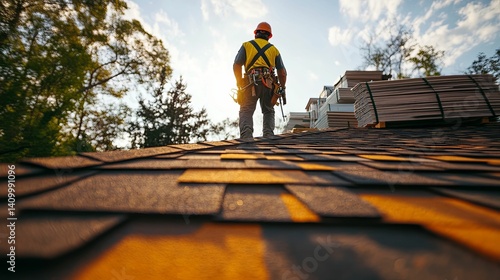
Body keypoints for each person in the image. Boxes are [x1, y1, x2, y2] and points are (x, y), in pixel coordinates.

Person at [233, 22, 287, 140]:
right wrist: (282, 88)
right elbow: (282, 73)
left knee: (246, 110)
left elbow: (237, 65)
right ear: (269, 36)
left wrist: (239, 82)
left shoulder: (246, 45)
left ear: (256, 33)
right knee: (268, 110)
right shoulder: (274, 50)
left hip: (249, 83)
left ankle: (246, 137)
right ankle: (268, 136)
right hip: (268, 84)